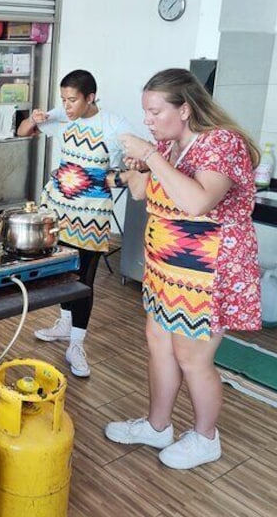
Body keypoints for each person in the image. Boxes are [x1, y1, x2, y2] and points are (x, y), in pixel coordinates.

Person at [104, 68, 262, 470]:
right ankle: (158, 427)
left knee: (192, 357)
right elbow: (141, 194)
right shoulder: (169, 145)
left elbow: (197, 202)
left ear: (186, 109)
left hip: (209, 271)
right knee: (159, 341)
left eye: (156, 112)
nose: (149, 121)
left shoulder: (221, 144)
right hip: (168, 270)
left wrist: (151, 155)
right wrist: (137, 168)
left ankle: (206, 438)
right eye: (147, 113)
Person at [17, 69, 137, 377]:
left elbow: (141, 161)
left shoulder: (114, 125)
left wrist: (114, 178)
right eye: (63, 99)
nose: (67, 106)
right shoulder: (63, 118)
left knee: (84, 279)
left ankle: (77, 344)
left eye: (72, 100)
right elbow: (23, 132)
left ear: (90, 98)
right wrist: (34, 118)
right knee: (62, 273)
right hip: (58, 209)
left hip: (92, 215)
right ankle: (64, 325)